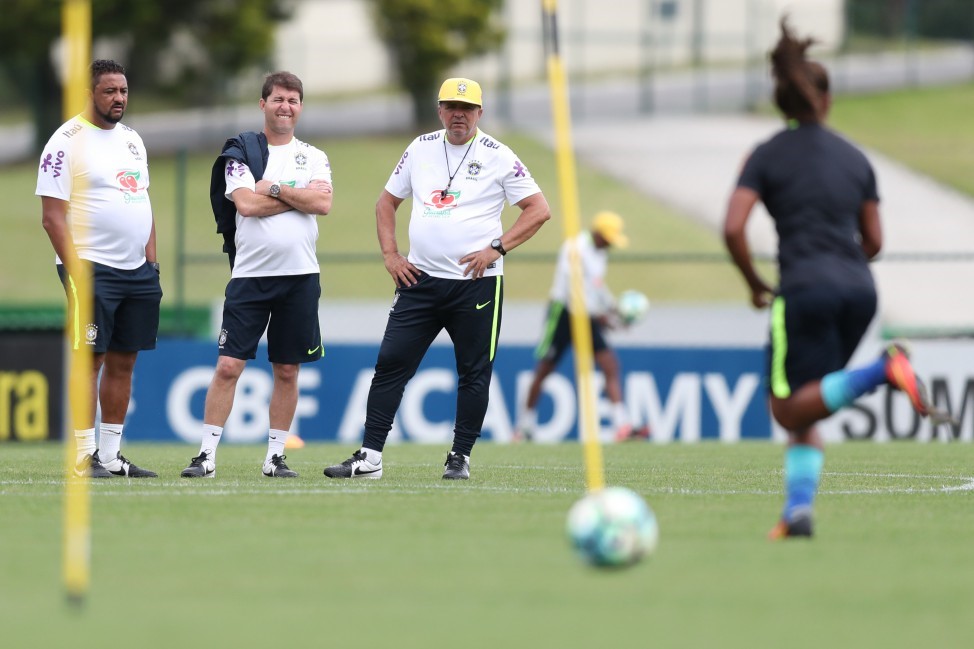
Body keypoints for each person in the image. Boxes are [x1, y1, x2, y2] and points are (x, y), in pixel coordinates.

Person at [723, 19, 952, 539]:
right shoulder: (855, 157)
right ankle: (797, 513)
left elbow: (733, 227)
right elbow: (874, 242)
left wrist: (755, 283)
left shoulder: (764, 155)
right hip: (859, 291)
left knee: (786, 408)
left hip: (804, 288)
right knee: (810, 410)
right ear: (825, 101)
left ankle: (884, 372)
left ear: (781, 102)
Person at [323, 77, 550, 480]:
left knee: (474, 370)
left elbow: (537, 209)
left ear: (480, 113)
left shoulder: (498, 155)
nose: (458, 114)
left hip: (477, 284)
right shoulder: (420, 147)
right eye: (450, 106)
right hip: (419, 281)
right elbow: (386, 203)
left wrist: (496, 248)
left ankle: (459, 456)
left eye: (467, 108)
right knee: (390, 363)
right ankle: (370, 457)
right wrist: (391, 255)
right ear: (440, 109)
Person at [181, 71, 333, 479]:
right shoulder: (242, 151)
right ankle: (206, 455)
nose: (286, 106)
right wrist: (299, 196)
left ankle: (275, 457)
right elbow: (246, 205)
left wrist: (277, 189)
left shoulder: (314, 155)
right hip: (251, 277)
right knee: (229, 366)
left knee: (287, 369)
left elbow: (323, 204)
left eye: (294, 100)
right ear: (263, 104)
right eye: (279, 99)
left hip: (301, 277)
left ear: (300, 107)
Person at [36, 60, 161, 479]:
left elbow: (143, 201)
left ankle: (109, 455)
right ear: (89, 94)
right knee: (90, 359)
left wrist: (152, 261)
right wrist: (78, 274)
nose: (119, 98)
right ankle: (82, 455)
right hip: (91, 267)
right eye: (109, 91)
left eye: (123, 90)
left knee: (124, 361)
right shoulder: (65, 142)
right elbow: (52, 217)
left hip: (137, 271)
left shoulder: (132, 140)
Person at [513, 211, 649, 443]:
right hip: (564, 313)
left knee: (610, 364)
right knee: (545, 369)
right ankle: (524, 427)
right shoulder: (575, 248)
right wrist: (601, 317)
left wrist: (613, 310)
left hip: (588, 315)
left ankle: (622, 426)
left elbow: (596, 286)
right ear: (597, 234)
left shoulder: (599, 253)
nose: (610, 244)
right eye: (608, 239)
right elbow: (574, 289)